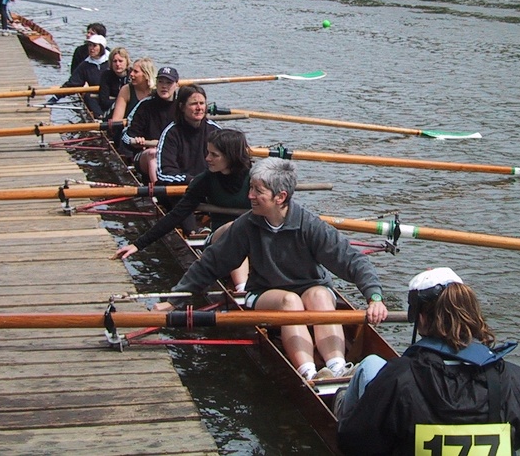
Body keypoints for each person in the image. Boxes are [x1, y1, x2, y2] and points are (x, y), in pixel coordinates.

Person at [162, 157, 388, 381]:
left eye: (257, 191)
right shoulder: (246, 225)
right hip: (264, 293)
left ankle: (337, 367)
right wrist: (175, 300)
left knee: (320, 294)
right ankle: (309, 374)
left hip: (311, 288)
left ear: (280, 197)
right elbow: (210, 263)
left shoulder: (309, 224)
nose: (249, 195)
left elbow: (352, 261)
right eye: (250, 188)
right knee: (289, 301)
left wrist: (374, 297)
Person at [336, 267, 520, 455]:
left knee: (371, 364)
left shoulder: (398, 379)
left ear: (421, 318)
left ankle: (341, 402)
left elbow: (353, 443)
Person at [115, 127, 252, 285]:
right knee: (233, 228)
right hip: (220, 237)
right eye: (208, 152)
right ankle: (242, 289)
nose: (207, 158)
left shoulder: (255, 178)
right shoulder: (205, 180)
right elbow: (176, 215)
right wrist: (137, 245)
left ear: (231, 156)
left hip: (253, 234)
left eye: (214, 155)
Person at [120, 65, 179, 184]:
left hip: (173, 153)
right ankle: (158, 190)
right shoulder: (145, 106)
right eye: (161, 82)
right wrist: (135, 141)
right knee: (154, 153)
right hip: (146, 156)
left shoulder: (182, 107)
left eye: (168, 82)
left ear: (176, 85)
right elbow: (126, 138)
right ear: (156, 83)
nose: (164, 86)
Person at [155, 83, 221, 187]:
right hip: (181, 191)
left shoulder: (215, 131)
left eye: (202, 103)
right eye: (194, 104)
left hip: (209, 188)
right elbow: (164, 173)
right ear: (182, 107)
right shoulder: (171, 133)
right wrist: (191, 180)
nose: (199, 108)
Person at [46, 33, 110, 115]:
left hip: (112, 96)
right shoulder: (85, 65)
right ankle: (100, 118)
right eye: (89, 45)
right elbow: (72, 84)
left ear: (101, 47)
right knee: (87, 96)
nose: (91, 48)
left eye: (94, 46)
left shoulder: (112, 61)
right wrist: (55, 98)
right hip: (95, 98)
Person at [97, 46, 131, 115]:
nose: (117, 64)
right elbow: (104, 101)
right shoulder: (106, 75)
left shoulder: (132, 74)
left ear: (127, 62)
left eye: (120, 61)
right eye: (115, 61)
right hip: (112, 110)